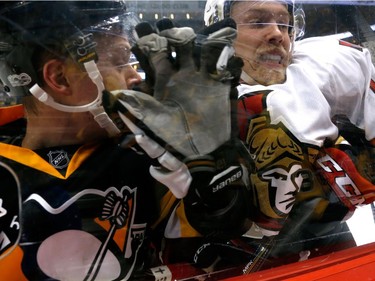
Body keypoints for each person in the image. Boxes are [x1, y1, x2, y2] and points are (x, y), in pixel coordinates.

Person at [0, 1, 254, 280]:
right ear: (60, 77)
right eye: (121, 62)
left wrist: (215, 179)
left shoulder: (150, 153)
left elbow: (216, 251)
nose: (135, 76)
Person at [204, 0, 375, 265]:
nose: (277, 34)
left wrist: (354, 166)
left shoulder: (321, 67)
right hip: (229, 258)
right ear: (220, 35)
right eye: (258, 22)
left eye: (284, 23)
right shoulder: (195, 98)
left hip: (327, 243)